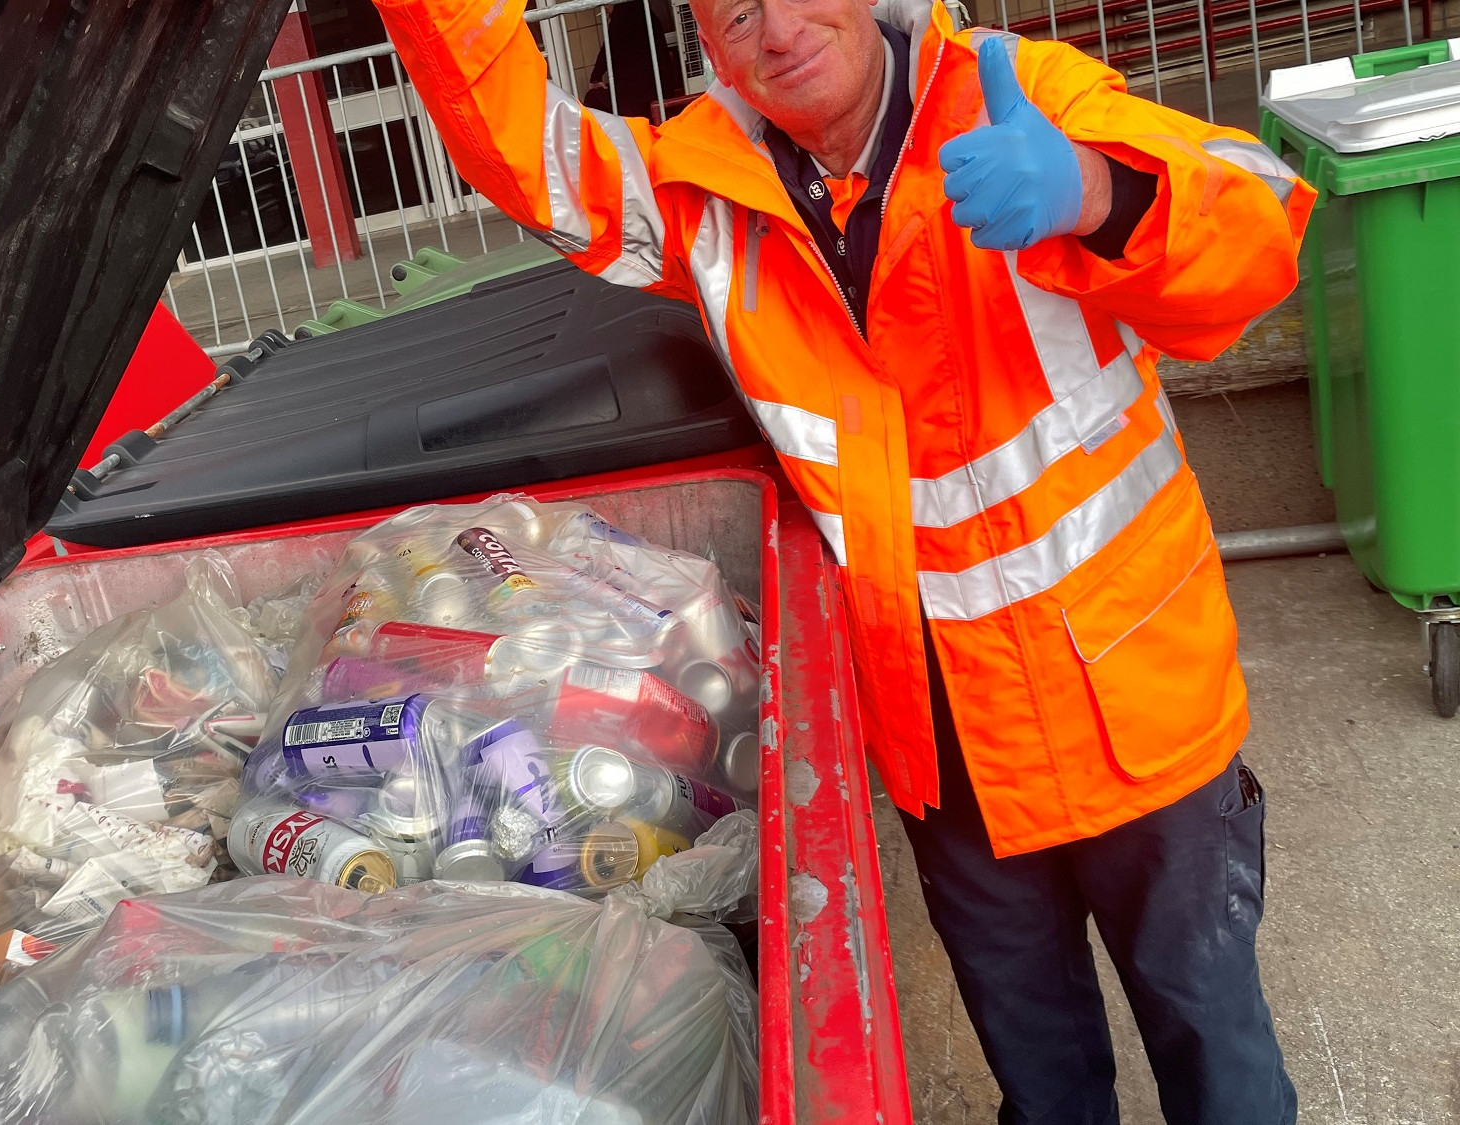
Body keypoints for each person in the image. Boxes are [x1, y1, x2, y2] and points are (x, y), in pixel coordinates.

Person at [371, 0, 1312, 1122]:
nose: (774, 26)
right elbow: (532, 155)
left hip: (1130, 713)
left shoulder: (1016, 93)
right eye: (732, 12)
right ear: (707, 45)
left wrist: (1097, 193)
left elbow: (1255, 231)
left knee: (1218, 1061)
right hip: (939, 747)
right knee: (1043, 1081)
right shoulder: (712, 190)